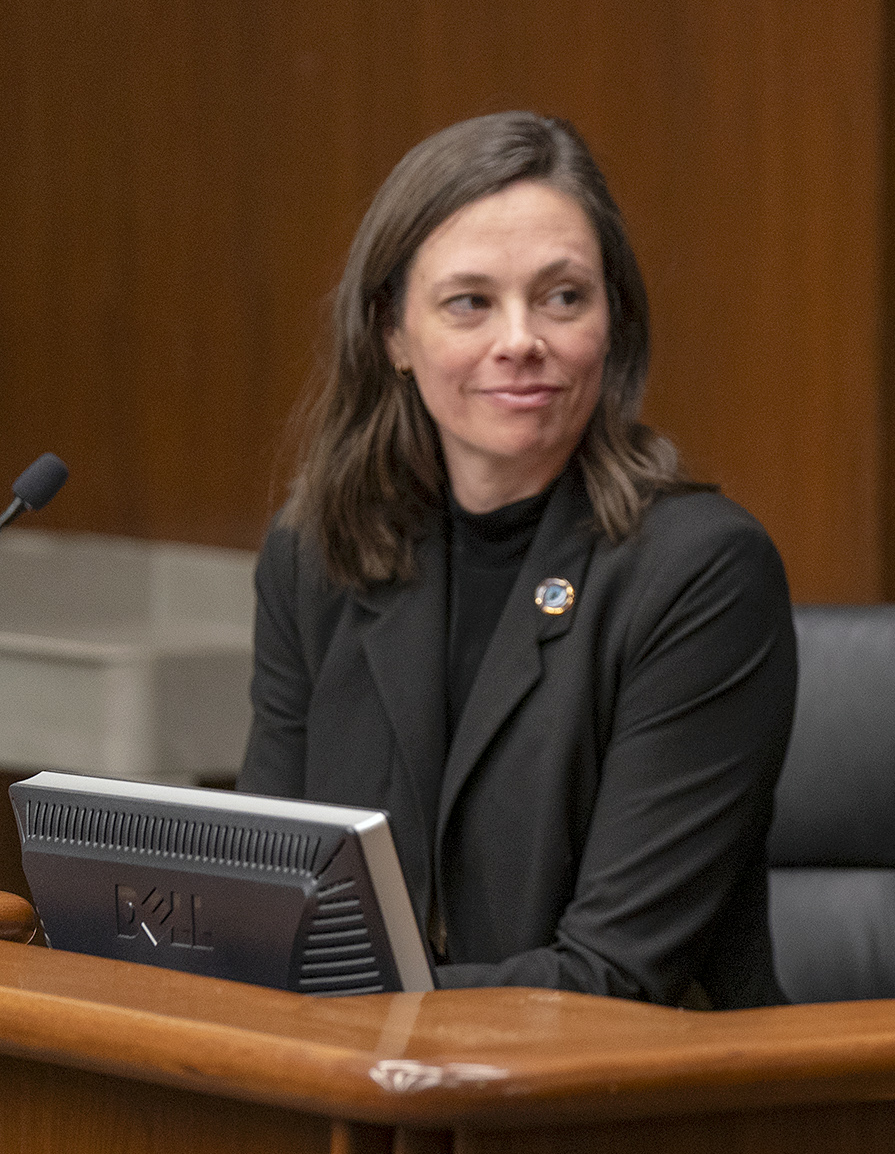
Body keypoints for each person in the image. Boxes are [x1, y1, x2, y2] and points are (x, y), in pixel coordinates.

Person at [241, 112, 794, 1009]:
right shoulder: (317, 557)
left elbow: (613, 979)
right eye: (470, 302)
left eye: (562, 296)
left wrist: (324, 1005)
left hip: (638, 1114)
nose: (519, 339)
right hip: (370, 1098)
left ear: (612, 320)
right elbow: (261, 906)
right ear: (392, 333)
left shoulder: (702, 572)